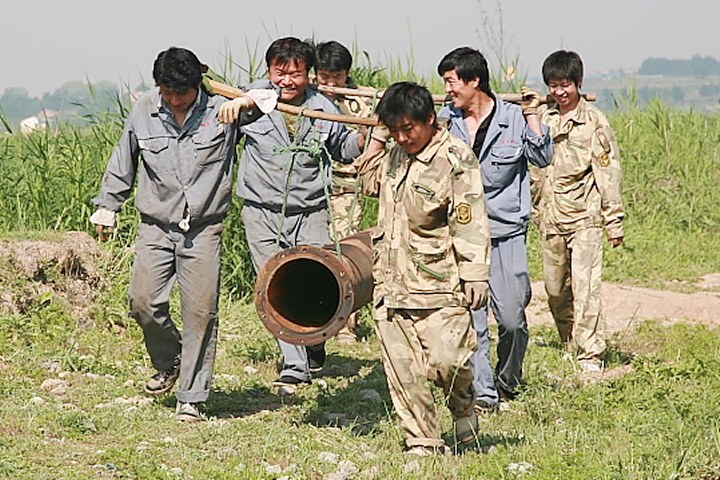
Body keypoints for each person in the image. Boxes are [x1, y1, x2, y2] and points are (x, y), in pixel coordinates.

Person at [90, 47, 240, 422]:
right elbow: (124, 158)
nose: (173, 100)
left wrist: (248, 100)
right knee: (143, 302)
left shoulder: (223, 109)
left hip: (204, 229)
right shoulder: (145, 108)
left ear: (197, 86)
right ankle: (170, 358)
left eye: (182, 94)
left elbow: (273, 102)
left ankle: (191, 396)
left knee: (201, 313)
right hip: (155, 226)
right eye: (167, 93)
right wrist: (108, 206)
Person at [218, 37, 365, 395]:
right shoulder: (251, 101)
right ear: (269, 72)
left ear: (309, 75)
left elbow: (343, 149)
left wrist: (363, 140)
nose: (286, 81)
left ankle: (314, 340)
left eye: (295, 74)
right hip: (260, 210)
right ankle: (294, 365)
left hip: (311, 211)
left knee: (312, 281)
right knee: (274, 285)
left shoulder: (324, 108)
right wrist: (234, 107)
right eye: (279, 73)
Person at [364, 81, 491, 455]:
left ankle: (464, 407)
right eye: (395, 130)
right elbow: (366, 178)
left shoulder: (455, 158)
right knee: (405, 372)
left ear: (430, 119)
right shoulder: (394, 155)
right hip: (391, 282)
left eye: (409, 129)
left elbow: (469, 219)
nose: (403, 138)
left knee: (447, 362)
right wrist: (377, 135)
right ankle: (422, 441)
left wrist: (475, 273)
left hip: (438, 283)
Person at [436, 47, 553, 411]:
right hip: (462, 235)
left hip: (506, 232)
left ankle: (508, 379)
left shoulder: (515, 119)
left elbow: (542, 157)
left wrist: (534, 117)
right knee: (474, 321)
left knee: (512, 318)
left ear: (474, 81)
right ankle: (484, 393)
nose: (448, 90)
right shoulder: (446, 120)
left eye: (452, 82)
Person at [533, 50, 624, 371]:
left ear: (578, 83)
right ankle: (569, 340)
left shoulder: (594, 122)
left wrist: (614, 220)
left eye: (566, 84)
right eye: (554, 85)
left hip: (584, 218)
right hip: (550, 218)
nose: (560, 91)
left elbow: (608, 172)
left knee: (586, 290)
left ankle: (591, 354)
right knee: (555, 289)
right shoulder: (544, 119)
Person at [314, 40, 376, 345]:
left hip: (347, 189)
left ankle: (348, 324)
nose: (329, 84)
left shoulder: (361, 101)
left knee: (343, 252)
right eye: (323, 76)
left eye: (336, 77)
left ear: (347, 74)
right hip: (312, 189)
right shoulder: (307, 97)